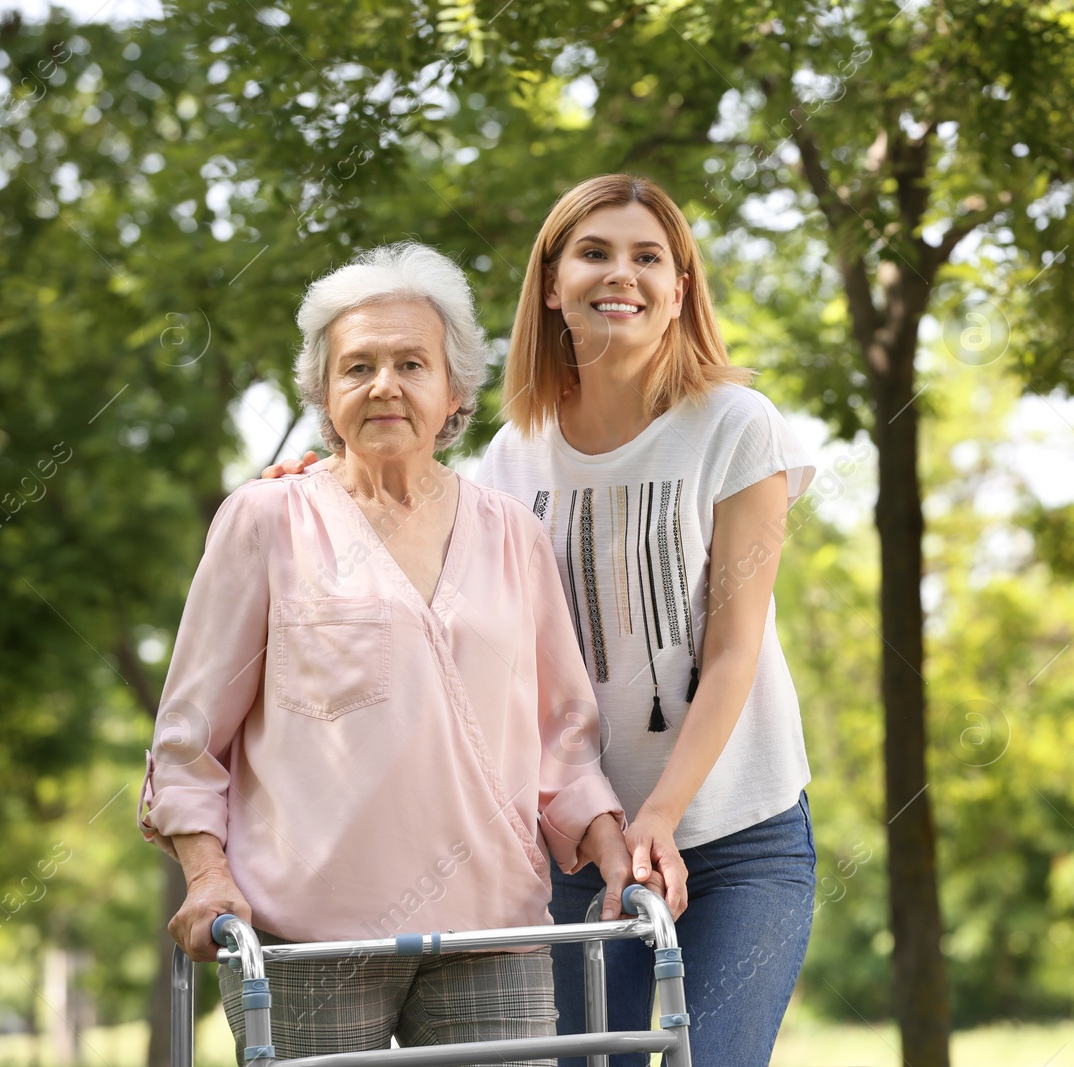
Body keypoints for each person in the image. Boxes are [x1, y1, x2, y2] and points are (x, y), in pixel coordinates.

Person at [271, 174, 820, 1066]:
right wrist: (319, 480)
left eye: (650, 257)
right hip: (577, 846)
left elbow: (732, 654)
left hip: (736, 839)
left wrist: (662, 814)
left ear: (680, 288)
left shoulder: (736, 426)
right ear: (552, 283)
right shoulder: (510, 457)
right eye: (595, 253)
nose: (622, 275)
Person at [140, 241, 683, 1067]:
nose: (384, 385)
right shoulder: (266, 522)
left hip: (493, 928)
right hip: (306, 940)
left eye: (410, 363)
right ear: (324, 393)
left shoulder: (513, 535)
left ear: (452, 389)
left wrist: (612, 844)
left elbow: (562, 739)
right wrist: (207, 875)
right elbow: (189, 740)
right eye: (357, 367)